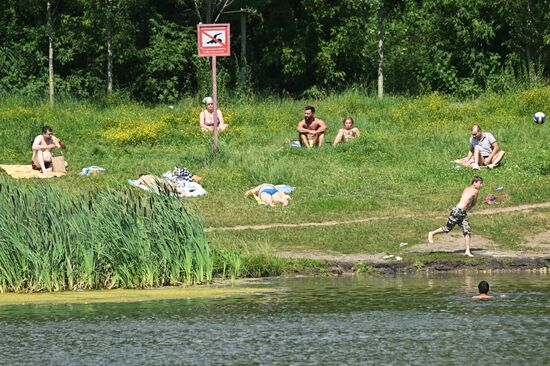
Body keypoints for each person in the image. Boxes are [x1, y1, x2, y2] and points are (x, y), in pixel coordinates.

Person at [428, 176, 484, 257]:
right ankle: (432, 233)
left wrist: (466, 208)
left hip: (461, 212)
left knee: (467, 230)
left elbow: (465, 200)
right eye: (480, 183)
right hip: (457, 212)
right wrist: (470, 207)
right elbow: (473, 203)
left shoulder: (466, 188)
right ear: (474, 183)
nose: (481, 185)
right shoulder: (475, 191)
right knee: (447, 228)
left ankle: (467, 251)